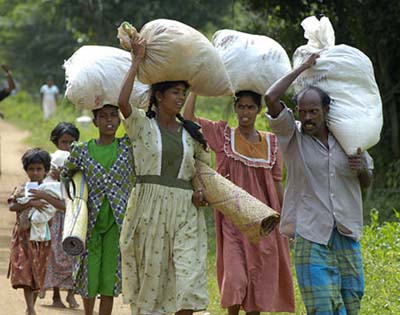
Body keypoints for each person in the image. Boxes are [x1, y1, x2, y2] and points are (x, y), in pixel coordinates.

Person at [264, 53, 374, 315]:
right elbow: (270, 97)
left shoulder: (350, 138)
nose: (308, 117)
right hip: (311, 234)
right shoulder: (294, 138)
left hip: (346, 233)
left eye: (314, 111)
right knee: (321, 306)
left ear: (326, 111)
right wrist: (302, 68)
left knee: (351, 302)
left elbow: (367, 182)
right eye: (303, 111)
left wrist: (361, 170)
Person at [118, 35, 210, 315]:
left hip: (185, 209)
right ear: (159, 96)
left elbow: (200, 171)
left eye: (183, 93)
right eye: (175, 93)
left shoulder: (191, 134)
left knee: (188, 277)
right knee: (153, 280)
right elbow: (122, 101)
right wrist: (136, 61)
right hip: (150, 207)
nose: (180, 98)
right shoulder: (141, 126)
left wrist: (200, 190)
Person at [183, 92, 295, 314]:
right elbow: (188, 118)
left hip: (264, 222)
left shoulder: (271, 143)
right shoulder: (223, 136)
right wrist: (196, 88)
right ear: (235, 108)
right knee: (235, 278)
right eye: (241, 107)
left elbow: (276, 184)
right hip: (234, 222)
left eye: (250, 107)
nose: (245, 112)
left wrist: (287, 220)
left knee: (259, 281)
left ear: (258, 111)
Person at [61, 104, 134, 315]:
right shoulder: (82, 150)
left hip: (116, 223)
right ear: (95, 122)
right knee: (89, 274)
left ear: (120, 121)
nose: (109, 120)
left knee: (109, 277)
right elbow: (67, 174)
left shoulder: (127, 148)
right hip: (89, 223)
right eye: (103, 117)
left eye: (113, 116)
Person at [8, 147, 65, 315]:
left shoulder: (52, 188)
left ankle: (29, 308)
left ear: (46, 170)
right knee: (25, 271)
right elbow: (13, 206)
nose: (35, 172)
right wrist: (32, 203)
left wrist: (43, 196)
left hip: (42, 238)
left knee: (37, 273)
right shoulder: (22, 188)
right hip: (23, 238)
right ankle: (31, 309)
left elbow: (63, 206)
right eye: (31, 169)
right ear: (26, 170)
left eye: (39, 169)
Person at [41, 122, 80, 308]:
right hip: (55, 217)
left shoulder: (80, 159)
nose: (68, 146)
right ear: (57, 142)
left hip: (73, 215)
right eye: (64, 142)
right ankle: (56, 294)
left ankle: (71, 293)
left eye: (72, 142)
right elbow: (43, 182)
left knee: (74, 252)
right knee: (54, 254)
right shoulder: (50, 160)